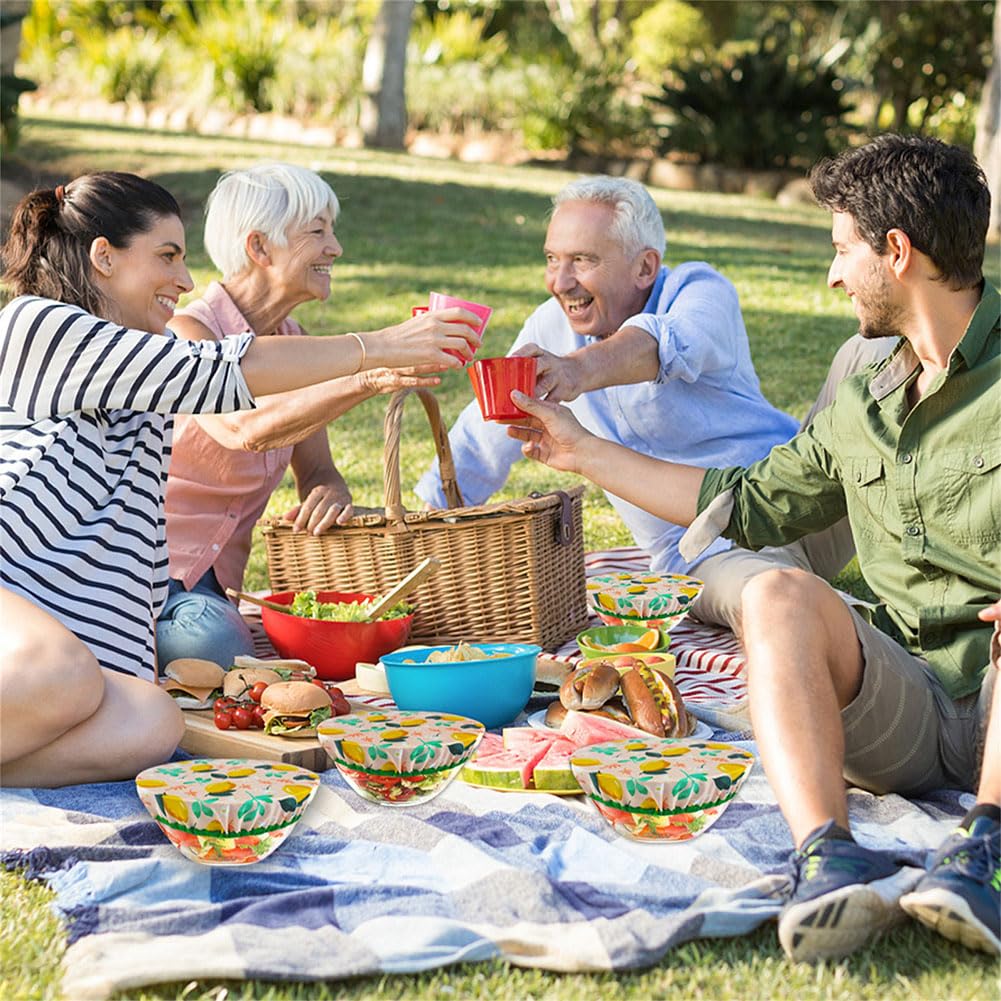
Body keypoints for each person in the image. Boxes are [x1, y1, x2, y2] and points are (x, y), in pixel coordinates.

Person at [505, 136, 999, 961]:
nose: (833, 274)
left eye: (842, 250)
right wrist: (577, 450)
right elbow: (747, 501)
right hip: (909, 696)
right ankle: (828, 858)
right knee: (773, 592)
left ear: (897, 252)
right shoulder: (868, 382)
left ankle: (982, 855)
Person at [0, 171, 480, 788]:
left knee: (153, 722)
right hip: (22, 622)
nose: (185, 279)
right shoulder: (40, 326)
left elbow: (140, 555)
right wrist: (382, 346)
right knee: (63, 670)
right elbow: (217, 376)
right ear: (104, 257)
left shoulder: (140, 390)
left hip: (63, 652)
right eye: (167, 257)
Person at [414, 175, 891, 634]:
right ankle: (880, 636)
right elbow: (482, 436)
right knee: (778, 602)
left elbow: (665, 344)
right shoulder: (548, 329)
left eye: (582, 260)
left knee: (874, 350)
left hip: (805, 496)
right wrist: (421, 529)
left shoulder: (700, 291)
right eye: (552, 259)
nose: (560, 281)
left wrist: (576, 369)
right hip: (706, 550)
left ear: (645, 266)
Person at [158, 163, 443, 670]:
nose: (335, 248)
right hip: (156, 573)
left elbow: (316, 469)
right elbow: (244, 427)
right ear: (259, 248)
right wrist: (369, 375)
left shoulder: (294, 340)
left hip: (219, 582)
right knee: (219, 653)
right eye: (317, 232)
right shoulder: (188, 334)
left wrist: (329, 490)